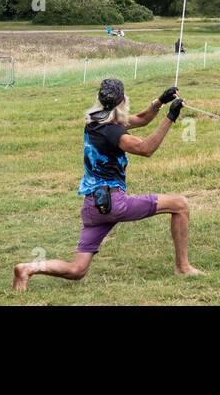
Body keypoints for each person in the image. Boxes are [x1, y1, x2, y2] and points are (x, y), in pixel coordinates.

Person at [13, 79, 201, 290]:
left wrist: (159, 101)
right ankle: (183, 267)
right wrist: (170, 117)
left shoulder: (95, 120)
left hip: (93, 206)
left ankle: (27, 268)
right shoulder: (113, 132)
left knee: (77, 270)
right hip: (113, 203)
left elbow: (140, 118)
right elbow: (146, 148)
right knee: (180, 204)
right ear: (123, 100)